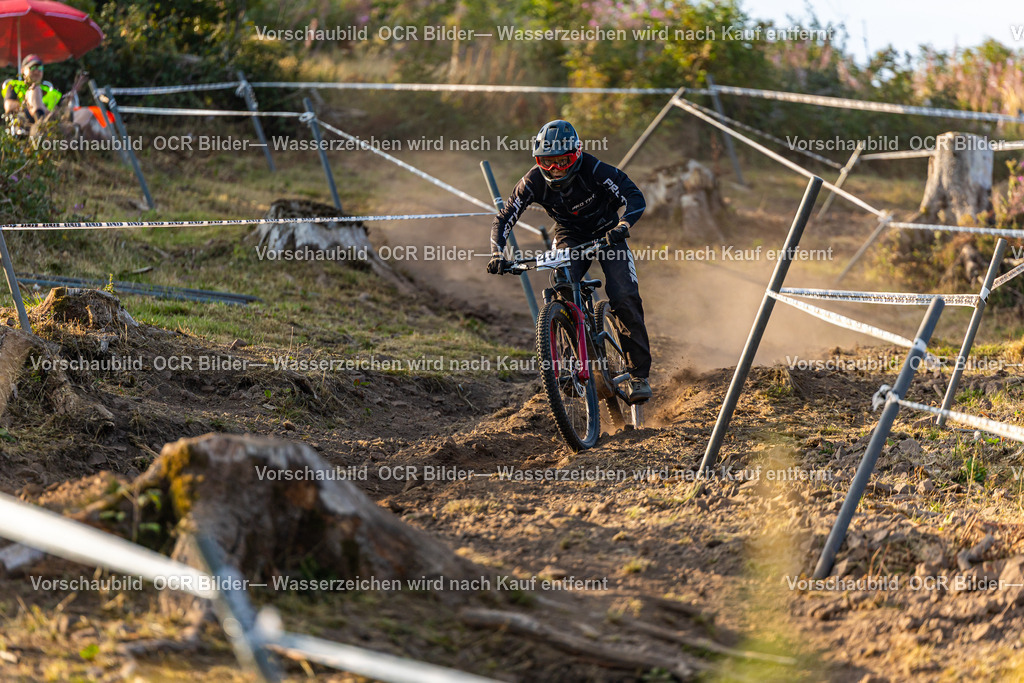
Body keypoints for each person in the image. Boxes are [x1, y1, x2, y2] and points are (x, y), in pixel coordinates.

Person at [487, 119, 653, 403]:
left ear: (576, 155)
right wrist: (497, 253)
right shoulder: (532, 181)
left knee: (624, 295)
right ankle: (571, 363)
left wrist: (623, 227)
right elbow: (504, 217)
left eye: (562, 161)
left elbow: (634, 197)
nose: (555, 169)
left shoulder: (595, 169)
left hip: (607, 233)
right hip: (569, 236)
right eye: (546, 162)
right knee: (561, 286)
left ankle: (638, 375)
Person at [4, 55, 62, 125]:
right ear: (22, 70)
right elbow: (8, 106)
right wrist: (30, 106)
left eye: (40, 68)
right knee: (35, 89)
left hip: (51, 125)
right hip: (25, 123)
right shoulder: (15, 86)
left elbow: (59, 112)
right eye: (33, 68)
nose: (37, 71)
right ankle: (40, 123)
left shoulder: (51, 92)